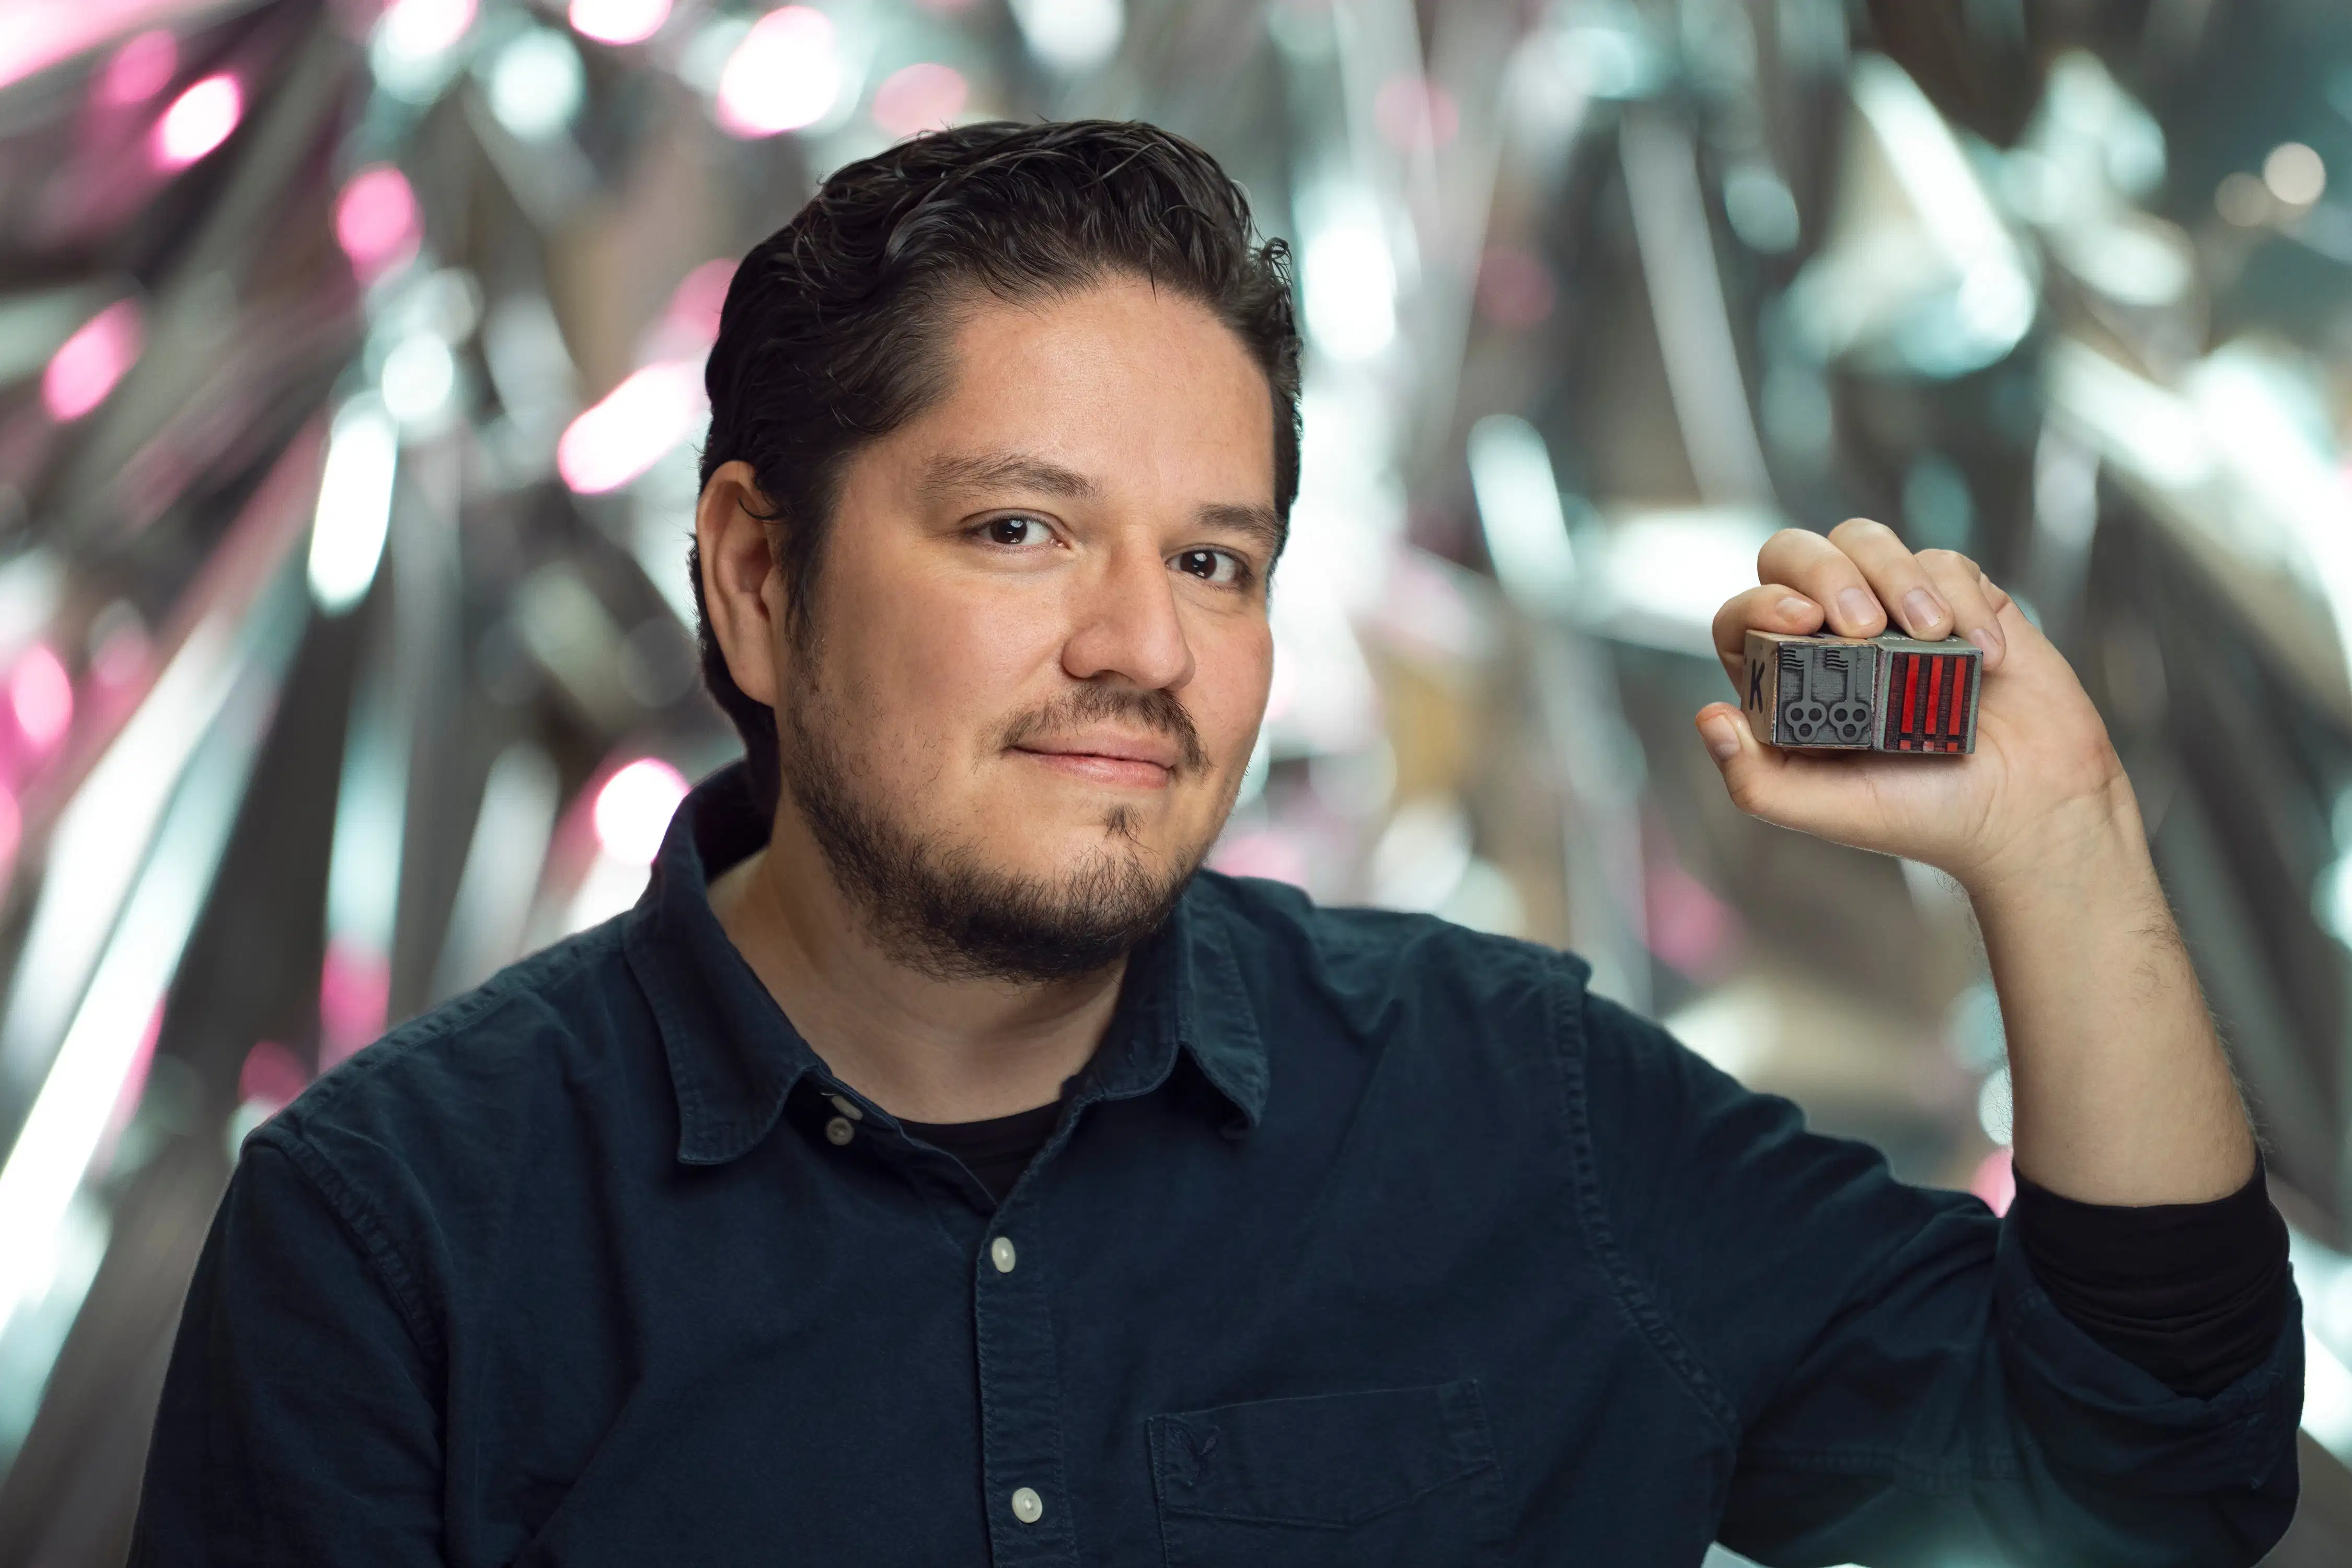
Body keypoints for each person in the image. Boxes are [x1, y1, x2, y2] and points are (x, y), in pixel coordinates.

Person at [131, 120, 2299, 1566]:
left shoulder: (1514, 1106)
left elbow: (2149, 1469)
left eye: (1222, 560)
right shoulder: (392, 1242)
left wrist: (2064, 839)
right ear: (757, 580)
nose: (1140, 649)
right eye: (1020, 529)